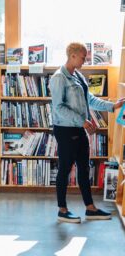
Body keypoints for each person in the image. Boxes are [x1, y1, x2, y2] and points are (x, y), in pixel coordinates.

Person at [49, 42, 125, 223]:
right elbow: (58, 108)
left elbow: (89, 99)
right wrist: (82, 121)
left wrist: (112, 106)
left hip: (78, 129)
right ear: (73, 56)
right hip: (66, 130)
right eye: (83, 57)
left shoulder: (78, 76)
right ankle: (62, 210)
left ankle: (90, 208)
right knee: (65, 169)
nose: (86, 60)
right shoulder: (59, 78)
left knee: (84, 168)